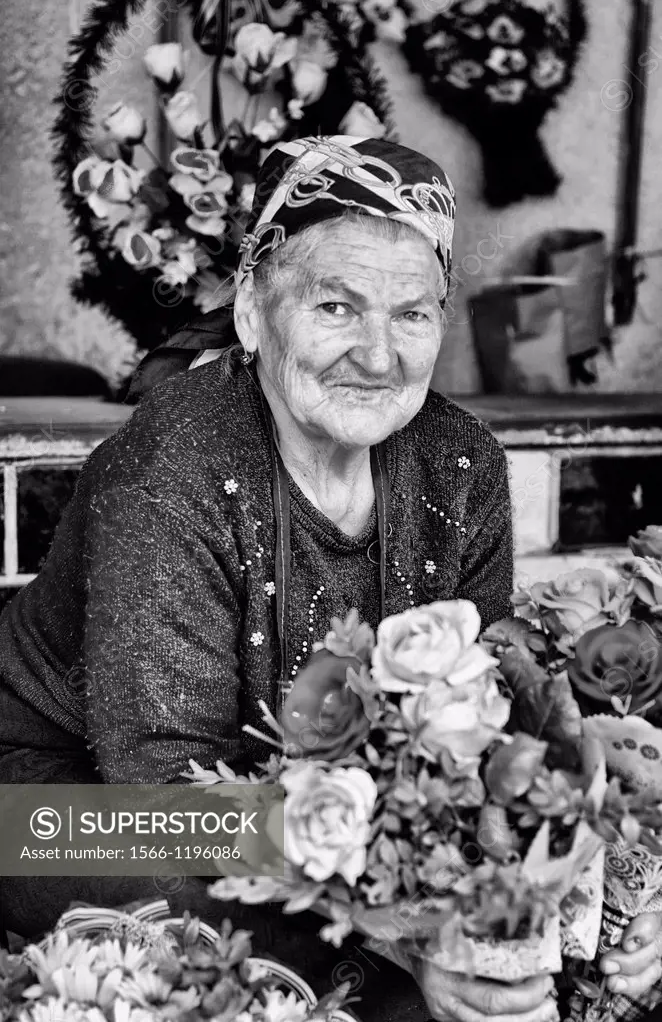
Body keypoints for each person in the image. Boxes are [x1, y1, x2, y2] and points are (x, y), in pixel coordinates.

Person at [0, 135, 659, 1020]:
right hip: (72, 798)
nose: (380, 355)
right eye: (337, 307)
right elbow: (166, 789)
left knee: (579, 879)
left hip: (330, 822)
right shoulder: (172, 468)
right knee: (188, 899)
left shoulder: (461, 461)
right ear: (252, 316)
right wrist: (412, 922)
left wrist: (586, 877)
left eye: (412, 314)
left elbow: (484, 731)